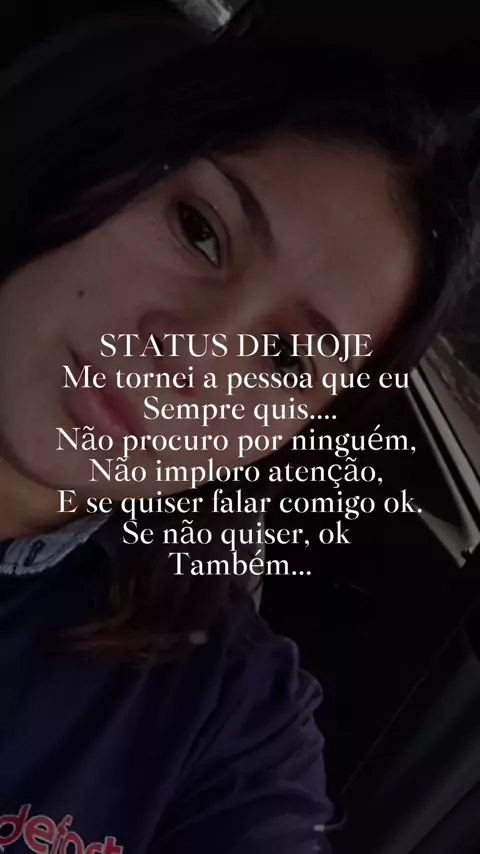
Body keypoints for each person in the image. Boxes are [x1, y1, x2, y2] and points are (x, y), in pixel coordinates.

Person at [0, 11, 472, 854]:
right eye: (199, 230)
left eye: (287, 359)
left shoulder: (225, 713)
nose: (191, 354)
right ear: (87, 160)